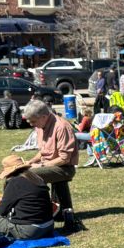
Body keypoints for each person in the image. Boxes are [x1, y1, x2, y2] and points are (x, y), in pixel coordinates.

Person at [22, 99, 83, 234]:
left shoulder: (62, 127)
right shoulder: (40, 126)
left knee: (28, 175)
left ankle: (36, 212)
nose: (32, 125)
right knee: (21, 170)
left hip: (64, 168)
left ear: (44, 117)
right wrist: (30, 161)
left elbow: (64, 158)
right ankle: (44, 211)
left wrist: (39, 166)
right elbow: (43, 151)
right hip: (49, 164)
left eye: (33, 121)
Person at [0, 155, 56, 240]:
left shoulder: (14, 182)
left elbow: (2, 211)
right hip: (48, 226)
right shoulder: (36, 178)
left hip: (30, 230)